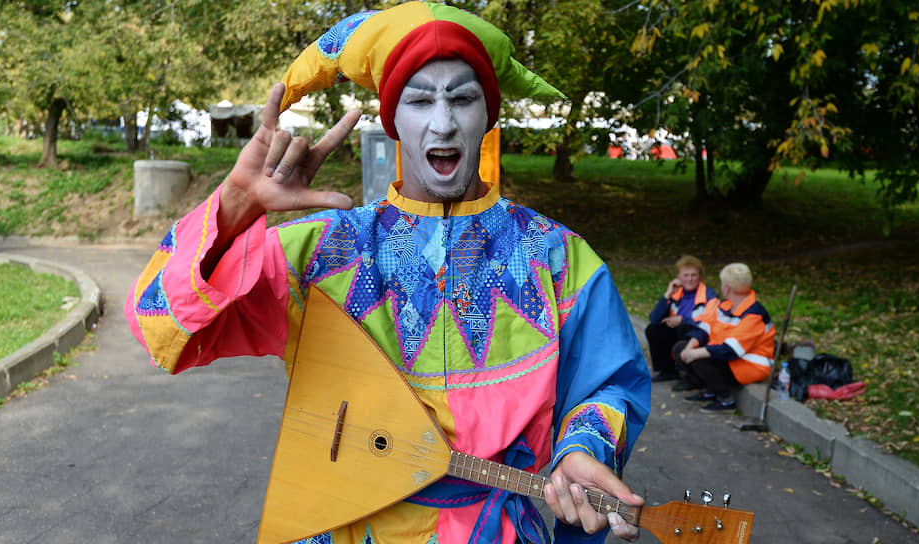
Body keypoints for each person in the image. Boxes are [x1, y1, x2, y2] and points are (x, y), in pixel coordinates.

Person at [124, 3, 651, 543]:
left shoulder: (558, 258)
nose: (443, 123)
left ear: (488, 116)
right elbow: (160, 327)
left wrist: (583, 447)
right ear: (392, 119)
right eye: (419, 100)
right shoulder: (322, 252)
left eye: (463, 99)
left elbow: (609, 382)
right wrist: (236, 204)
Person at [671, 263, 775, 411]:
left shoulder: (754, 314)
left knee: (699, 358)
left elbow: (731, 350)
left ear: (727, 288)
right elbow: (704, 328)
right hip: (729, 359)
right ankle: (710, 390)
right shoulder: (726, 305)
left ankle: (726, 399)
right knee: (680, 348)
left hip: (749, 366)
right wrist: (689, 347)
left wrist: (695, 353)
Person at [644, 255, 716, 382]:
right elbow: (654, 318)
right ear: (678, 277)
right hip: (678, 332)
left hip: (697, 335)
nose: (689, 279)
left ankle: (690, 375)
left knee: (683, 327)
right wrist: (668, 293)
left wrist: (682, 320)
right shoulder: (676, 293)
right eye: (685, 275)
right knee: (653, 329)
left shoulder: (709, 295)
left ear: (700, 276)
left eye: (693, 275)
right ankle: (667, 370)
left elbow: (709, 323)